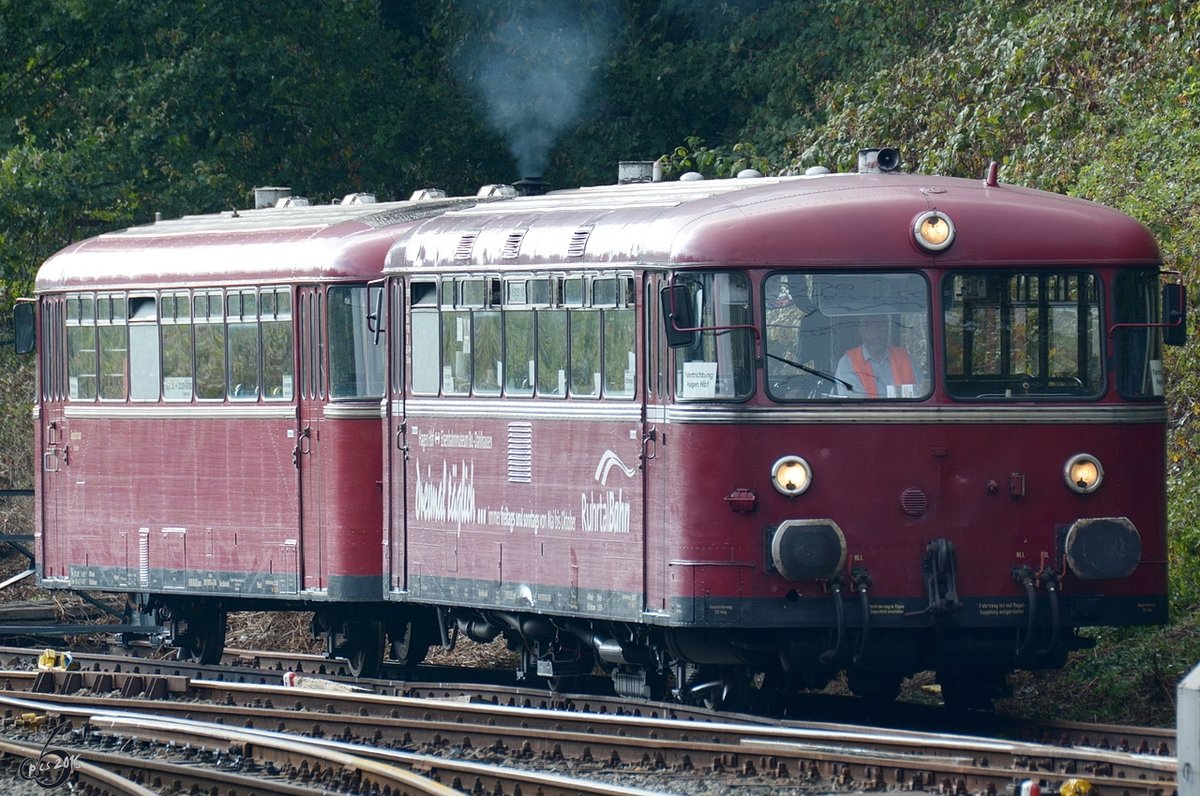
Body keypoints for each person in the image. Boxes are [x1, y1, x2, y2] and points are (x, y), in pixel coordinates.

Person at [836, 315, 920, 398]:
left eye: (882, 327)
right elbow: (855, 401)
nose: (877, 334)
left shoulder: (906, 359)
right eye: (871, 328)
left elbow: (921, 391)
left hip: (904, 407)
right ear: (861, 331)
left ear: (888, 330)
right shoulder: (848, 363)